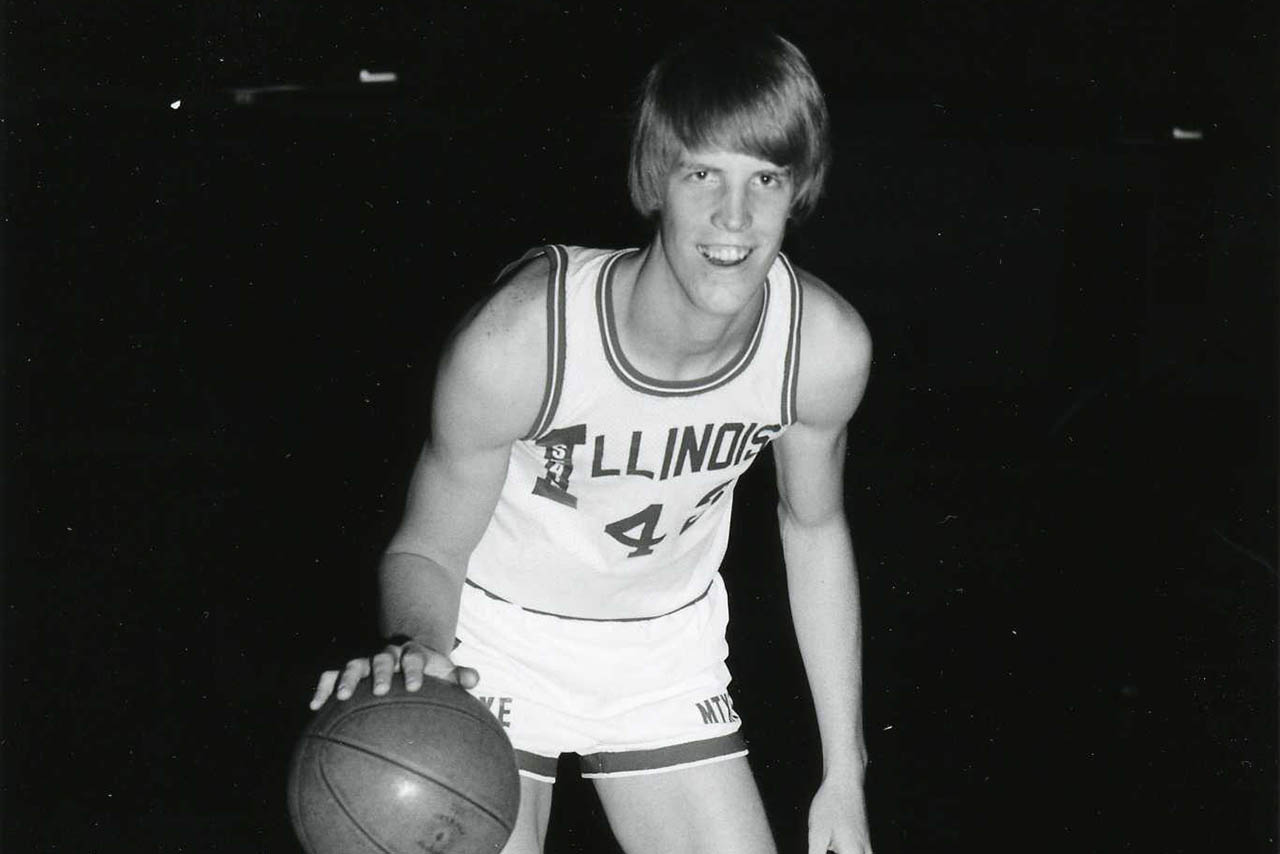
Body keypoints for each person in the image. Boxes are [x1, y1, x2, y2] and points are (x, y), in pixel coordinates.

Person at [311, 29, 874, 854]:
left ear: (800, 189)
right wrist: (419, 653)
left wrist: (844, 772)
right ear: (656, 180)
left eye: (765, 178)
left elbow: (815, 530)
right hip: (494, 644)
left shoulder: (820, 348)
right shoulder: (523, 339)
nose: (735, 217)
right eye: (702, 174)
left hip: (661, 651)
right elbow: (427, 549)